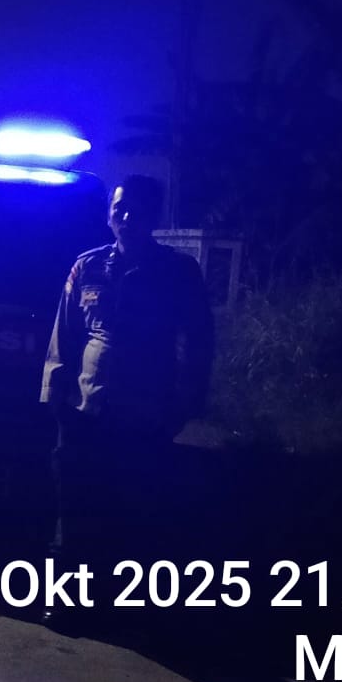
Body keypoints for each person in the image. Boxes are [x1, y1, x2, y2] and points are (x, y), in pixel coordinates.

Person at [40, 175, 214, 582]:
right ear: (109, 215)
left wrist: (185, 405)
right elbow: (65, 334)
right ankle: (67, 598)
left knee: (134, 514)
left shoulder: (178, 272)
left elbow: (198, 342)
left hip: (145, 416)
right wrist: (54, 393)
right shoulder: (87, 266)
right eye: (119, 209)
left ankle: (123, 600)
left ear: (155, 216)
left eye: (137, 210)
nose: (127, 217)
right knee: (75, 509)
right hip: (85, 413)